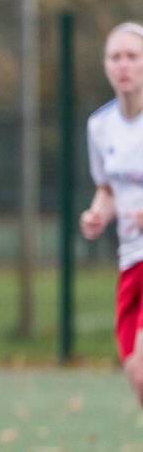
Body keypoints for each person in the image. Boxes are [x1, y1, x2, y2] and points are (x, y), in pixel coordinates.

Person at [82, 21, 143, 405]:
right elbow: (107, 188)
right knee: (136, 376)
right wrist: (97, 213)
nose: (123, 65)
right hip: (130, 260)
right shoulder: (100, 126)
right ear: (105, 66)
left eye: (132, 57)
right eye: (115, 57)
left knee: (142, 367)